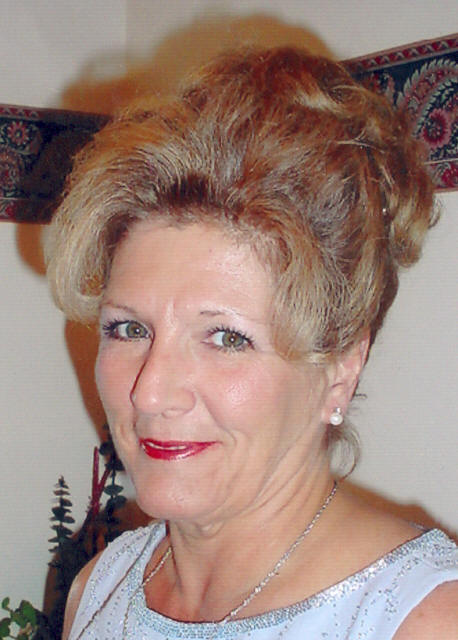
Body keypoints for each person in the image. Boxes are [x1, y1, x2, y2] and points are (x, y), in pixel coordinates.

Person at [44, 47, 457, 639]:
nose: (151, 392)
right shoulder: (99, 587)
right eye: (129, 329)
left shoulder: (424, 620)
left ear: (340, 370)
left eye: (225, 338)